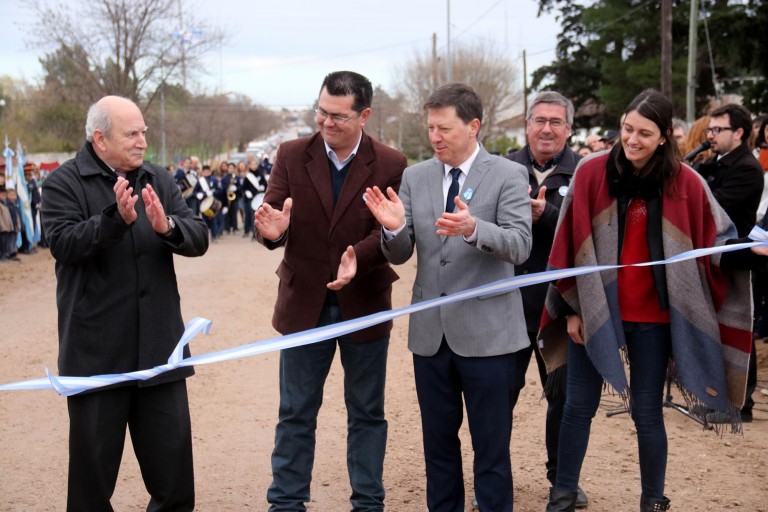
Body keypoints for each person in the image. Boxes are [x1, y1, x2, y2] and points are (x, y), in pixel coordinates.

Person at [539, 89, 762, 512]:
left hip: (655, 318)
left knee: (647, 412)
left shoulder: (686, 181)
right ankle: (562, 494)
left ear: (663, 137)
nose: (632, 139)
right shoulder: (591, 171)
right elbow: (567, 244)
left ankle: (653, 500)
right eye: (627, 129)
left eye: (644, 133)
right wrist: (571, 309)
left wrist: (752, 253)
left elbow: (717, 242)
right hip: (595, 308)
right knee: (578, 405)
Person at [364, 82, 532, 512]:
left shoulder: (508, 174)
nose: (435, 137)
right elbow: (401, 253)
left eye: (445, 129)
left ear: (474, 126)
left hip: (489, 337)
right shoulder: (415, 177)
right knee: (438, 447)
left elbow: (520, 245)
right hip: (430, 337)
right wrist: (393, 229)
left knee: (491, 449)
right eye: (430, 128)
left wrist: (474, 229)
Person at [40, 95, 209, 511]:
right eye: (131, 134)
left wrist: (168, 227)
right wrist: (114, 220)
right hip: (96, 357)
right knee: (92, 488)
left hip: (161, 353)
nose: (142, 141)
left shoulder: (158, 178)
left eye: (144, 132)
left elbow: (199, 236)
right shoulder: (63, 182)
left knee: (175, 485)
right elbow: (63, 243)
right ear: (100, 139)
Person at [255, 70, 407, 512]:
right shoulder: (291, 154)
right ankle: (286, 502)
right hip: (305, 303)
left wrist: (360, 255)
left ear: (365, 115)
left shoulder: (391, 163)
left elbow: (391, 230)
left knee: (367, 413)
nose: (326, 122)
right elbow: (273, 217)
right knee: (295, 412)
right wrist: (273, 232)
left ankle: (368, 502)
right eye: (321, 111)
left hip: (365, 302)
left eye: (339, 116)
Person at [506, 91, 588, 509]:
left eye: (556, 122)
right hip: (506, 309)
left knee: (565, 400)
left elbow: (588, 238)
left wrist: (546, 216)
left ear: (569, 129)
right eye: (539, 120)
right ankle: (494, 479)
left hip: (560, 311)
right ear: (527, 126)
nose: (547, 129)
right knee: (498, 398)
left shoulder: (586, 173)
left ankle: (563, 479)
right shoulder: (502, 169)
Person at [698, 103, 764, 424]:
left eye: (717, 129)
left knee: (738, 331)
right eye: (709, 129)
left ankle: (740, 404)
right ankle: (717, 396)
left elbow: (715, 205)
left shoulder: (747, 168)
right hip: (713, 256)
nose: (710, 135)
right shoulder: (715, 162)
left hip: (738, 259)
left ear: (738, 132)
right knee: (715, 331)